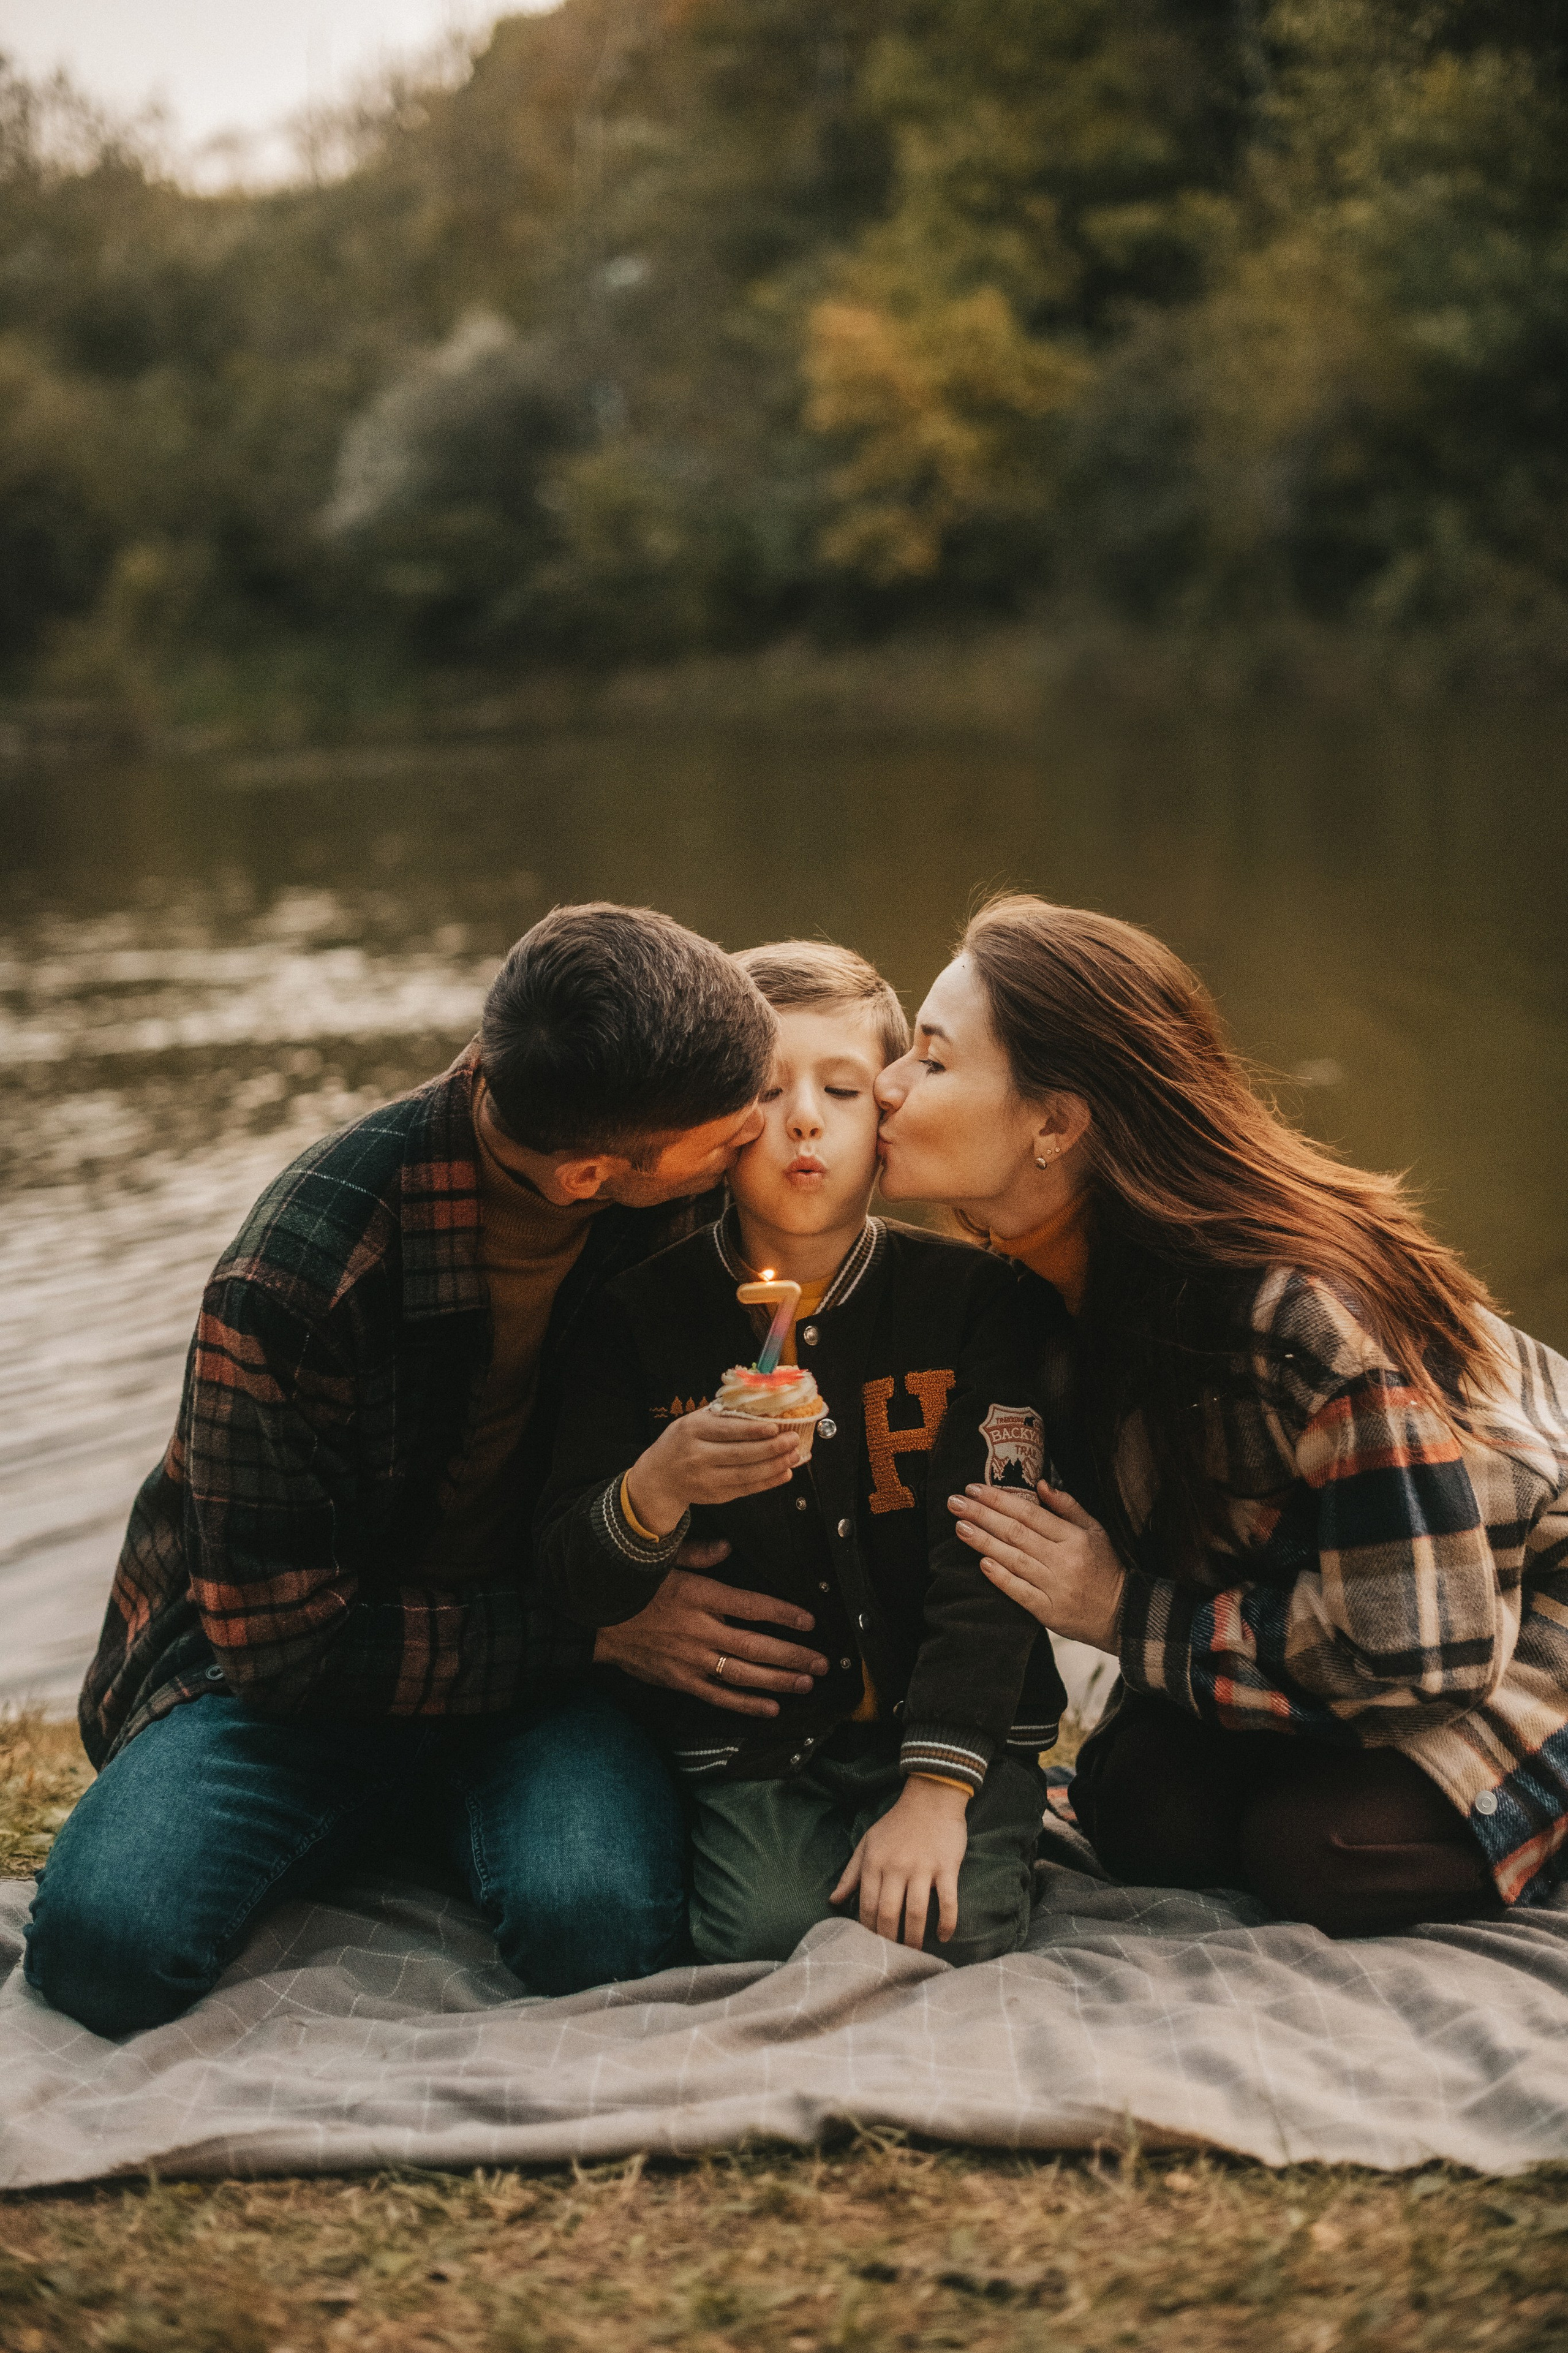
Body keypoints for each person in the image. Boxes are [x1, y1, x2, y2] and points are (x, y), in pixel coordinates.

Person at [25, 902, 836, 2037]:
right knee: (103, 1951)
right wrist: (597, 1636)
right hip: (299, 1679)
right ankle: (391, 1813)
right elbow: (283, 1647)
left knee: (596, 1930)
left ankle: (436, 1823)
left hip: (539, 1667)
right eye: (729, 1128)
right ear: (591, 1173)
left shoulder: (652, 1166)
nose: (760, 1133)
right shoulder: (302, 1269)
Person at [874, 893, 1568, 1938]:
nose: (886, 1086)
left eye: (930, 1059)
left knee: (1324, 1853)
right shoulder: (1042, 1293)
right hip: (1350, 1623)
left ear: (1055, 1124)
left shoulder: (1303, 1320)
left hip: (1510, 1614)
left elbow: (1422, 1652)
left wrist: (1121, 1612)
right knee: (1141, 1811)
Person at [535, 940, 1067, 1967]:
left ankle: (970, 1805)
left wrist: (937, 1789)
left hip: (954, 1730)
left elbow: (993, 1561)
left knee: (951, 1931)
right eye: (766, 1092)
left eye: (843, 1089)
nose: (806, 1120)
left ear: (888, 1117)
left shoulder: (975, 1302)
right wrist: (658, 1485)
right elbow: (570, 1568)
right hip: (758, 1746)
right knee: (760, 1940)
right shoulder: (637, 1316)